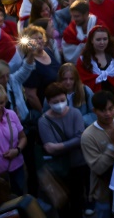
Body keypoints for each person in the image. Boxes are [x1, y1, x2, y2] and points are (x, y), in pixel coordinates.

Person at [38, 82, 88, 218]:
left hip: (78, 164)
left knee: (78, 200)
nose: (59, 104)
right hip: (59, 169)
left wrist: (60, 146)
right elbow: (50, 148)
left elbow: (80, 138)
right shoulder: (43, 121)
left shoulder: (75, 113)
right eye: (55, 102)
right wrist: (70, 144)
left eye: (62, 100)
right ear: (48, 102)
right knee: (63, 204)